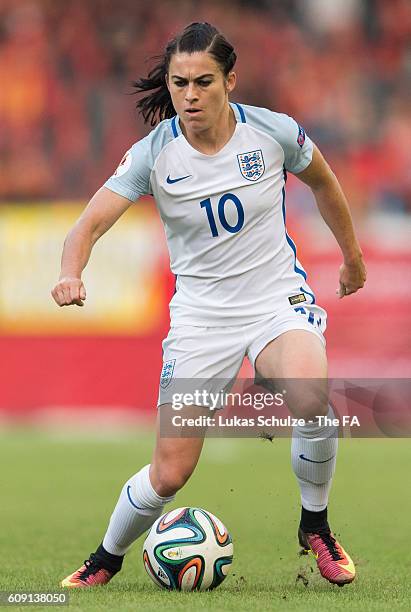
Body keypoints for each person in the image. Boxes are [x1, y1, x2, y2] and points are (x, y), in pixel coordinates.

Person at [52, 22, 366, 588]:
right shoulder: (154, 153)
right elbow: (88, 224)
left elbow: (325, 182)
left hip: (277, 301)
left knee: (313, 400)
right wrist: (70, 273)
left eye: (203, 82)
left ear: (230, 81)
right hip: (201, 321)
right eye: (179, 84)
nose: (190, 96)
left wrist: (352, 258)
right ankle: (106, 557)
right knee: (170, 473)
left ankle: (315, 525)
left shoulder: (273, 133)